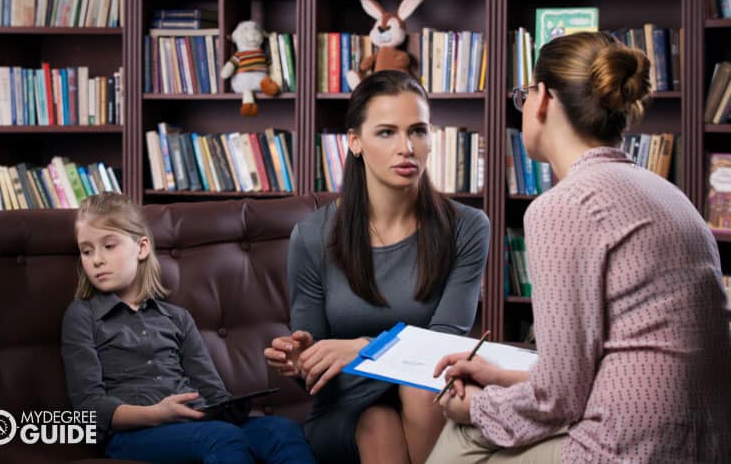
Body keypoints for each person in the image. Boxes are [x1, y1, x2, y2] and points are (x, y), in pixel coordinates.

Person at [427, 31, 731, 463]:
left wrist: (475, 405)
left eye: (525, 93)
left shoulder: (563, 207)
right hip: (705, 442)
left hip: (630, 447)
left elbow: (559, 397)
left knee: (463, 432)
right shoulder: (668, 194)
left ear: (545, 98)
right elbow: (621, 358)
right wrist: (504, 377)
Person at [264, 69, 491, 464]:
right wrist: (301, 360)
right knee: (378, 422)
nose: (406, 147)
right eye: (386, 132)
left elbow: (442, 347)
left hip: (429, 394)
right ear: (355, 142)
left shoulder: (468, 228)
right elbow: (313, 367)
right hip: (345, 405)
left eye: (418, 131)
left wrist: (366, 347)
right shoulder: (313, 236)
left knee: (418, 392)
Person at [61, 192, 316, 464]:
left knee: (281, 431)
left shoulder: (177, 318)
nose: (96, 259)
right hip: (134, 433)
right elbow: (88, 408)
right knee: (221, 438)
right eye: (87, 251)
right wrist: (157, 414)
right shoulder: (82, 315)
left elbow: (213, 392)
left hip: (196, 422)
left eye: (109, 246)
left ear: (142, 248)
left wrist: (230, 407)